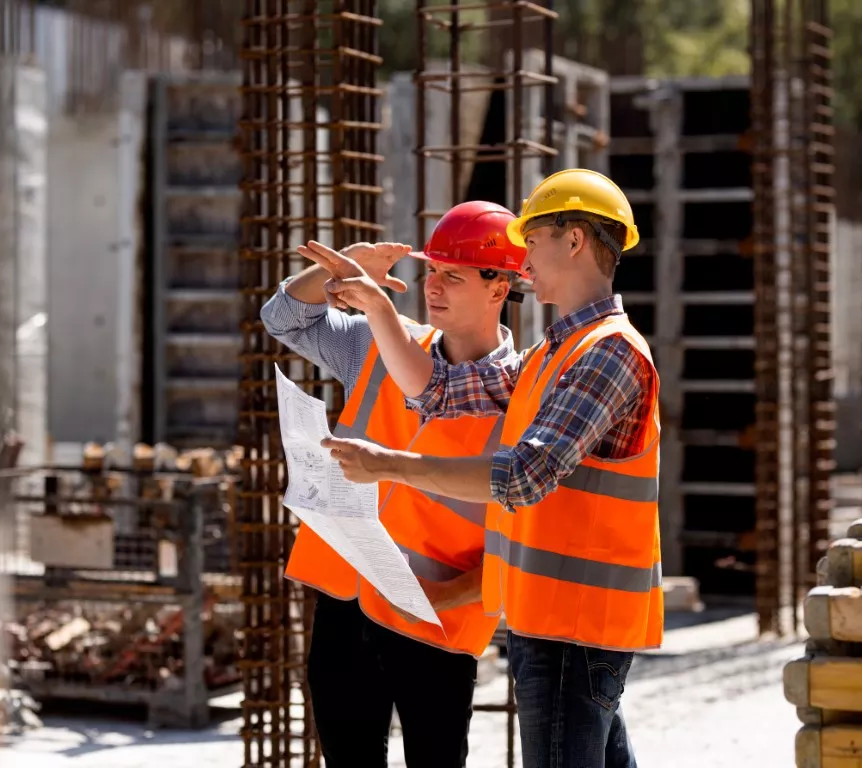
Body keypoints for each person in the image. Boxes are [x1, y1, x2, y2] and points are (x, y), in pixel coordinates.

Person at [303, 169, 663, 768]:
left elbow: (522, 475)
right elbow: (440, 390)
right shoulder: (550, 353)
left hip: (575, 624)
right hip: (545, 617)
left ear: (573, 241)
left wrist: (389, 465)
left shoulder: (608, 351)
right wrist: (374, 305)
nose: (523, 259)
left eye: (534, 240)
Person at [260, 201, 529, 768]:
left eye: (453, 275)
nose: (434, 286)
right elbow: (284, 319)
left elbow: (527, 530)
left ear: (498, 288)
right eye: (432, 271)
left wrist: (448, 596)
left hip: (438, 618)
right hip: (346, 600)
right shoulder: (383, 342)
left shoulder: (525, 394)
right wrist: (340, 269)